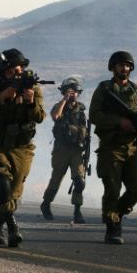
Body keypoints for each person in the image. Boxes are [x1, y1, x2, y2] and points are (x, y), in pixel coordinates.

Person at [0, 49, 46, 247]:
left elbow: (40, 117)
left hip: (22, 148)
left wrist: (31, 102)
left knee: (13, 196)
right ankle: (13, 227)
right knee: (1, 178)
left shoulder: (32, 86)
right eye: (9, 72)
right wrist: (1, 97)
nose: (15, 75)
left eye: (17, 70)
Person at [89, 51, 137, 244]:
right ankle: (112, 226)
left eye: (127, 65)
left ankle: (116, 213)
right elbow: (94, 115)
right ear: (113, 67)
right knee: (112, 189)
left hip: (132, 148)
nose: (124, 69)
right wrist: (118, 122)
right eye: (120, 65)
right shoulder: (104, 89)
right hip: (111, 147)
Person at [40, 76, 87, 223]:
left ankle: (77, 211)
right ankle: (46, 204)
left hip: (77, 150)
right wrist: (64, 100)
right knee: (56, 179)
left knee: (79, 180)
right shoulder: (59, 105)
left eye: (74, 91)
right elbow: (56, 116)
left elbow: (85, 129)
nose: (72, 94)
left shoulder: (81, 109)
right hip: (61, 149)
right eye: (69, 91)